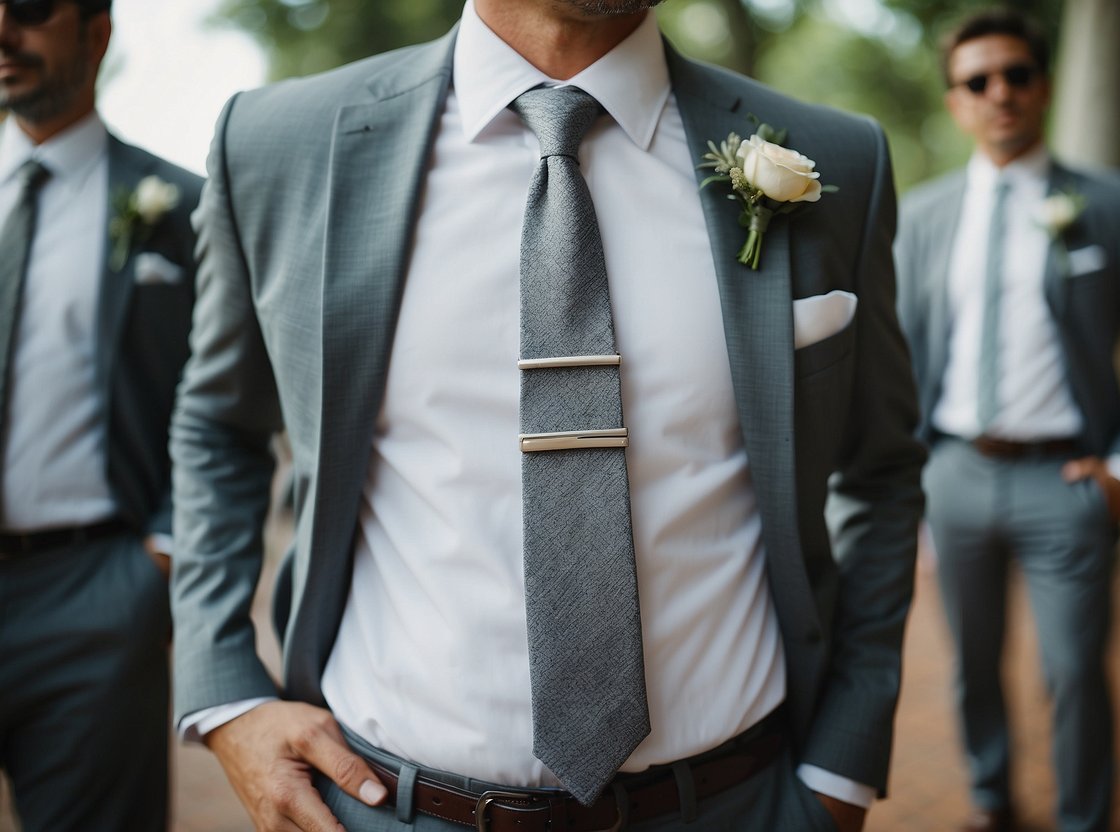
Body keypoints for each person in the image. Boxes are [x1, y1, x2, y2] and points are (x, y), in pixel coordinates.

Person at [170, 1, 926, 830]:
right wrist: (224, 692)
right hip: (388, 809)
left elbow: (881, 468)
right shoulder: (278, 144)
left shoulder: (833, 159)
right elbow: (219, 426)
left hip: (736, 803)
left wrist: (840, 771)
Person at [894, 9, 1120, 832]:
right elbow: (900, 359)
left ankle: (1080, 820)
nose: (1000, 93)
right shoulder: (920, 216)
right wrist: (913, 480)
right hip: (954, 473)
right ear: (955, 101)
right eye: (977, 81)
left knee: (1071, 671)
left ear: (1043, 87)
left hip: (1067, 481)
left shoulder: (1102, 203)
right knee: (971, 670)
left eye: (1016, 76)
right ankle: (991, 803)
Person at [0, 0, 202, 829]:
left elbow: (222, 403)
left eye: (31, 10)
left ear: (98, 30)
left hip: (95, 599)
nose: (3, 32)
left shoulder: (181, 210)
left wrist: (155, 564)